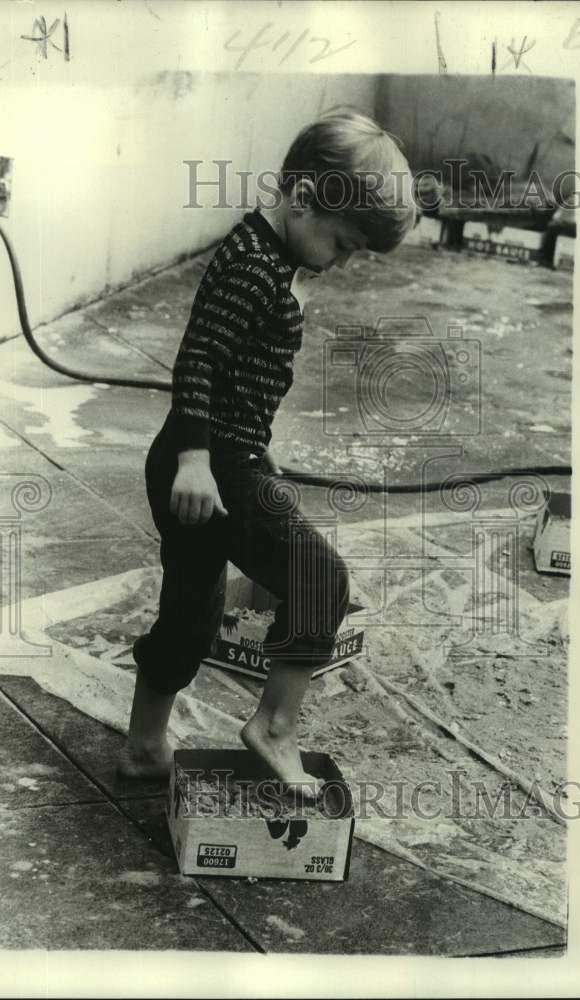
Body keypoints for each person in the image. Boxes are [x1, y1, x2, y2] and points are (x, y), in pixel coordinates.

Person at [117, 110, 416, 798]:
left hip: (219, 457)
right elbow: (196, 363)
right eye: (341, 244)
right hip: (209, 466)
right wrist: (198, 459)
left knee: (191, 615)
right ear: (307, 200)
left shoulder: (263, 251)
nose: (339, 262)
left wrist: (253, 450)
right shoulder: (255, 269)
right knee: (319, 581)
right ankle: (275, 727)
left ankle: (142, 747)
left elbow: (236, 378)